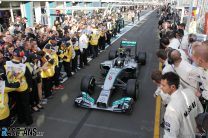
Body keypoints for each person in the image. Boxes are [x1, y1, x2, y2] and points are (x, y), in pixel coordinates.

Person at [161, 72, 203, 138]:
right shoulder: (190, 91)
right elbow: (200, 111)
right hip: (197, 133)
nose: (161, 87)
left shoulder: (171, 110)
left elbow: (170, 136)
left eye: (163, 85)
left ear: (173, 87)